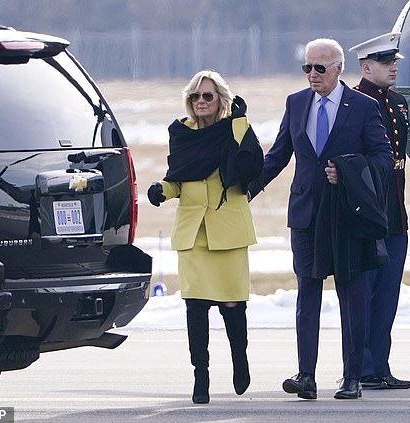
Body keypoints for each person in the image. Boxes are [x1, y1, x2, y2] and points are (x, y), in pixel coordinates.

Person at [248, 38, 394, 400]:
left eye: (320, 68)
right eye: (307, 68)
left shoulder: (363, 106)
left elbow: (382, 158)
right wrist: (246, 189)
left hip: (346, 216)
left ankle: (352, 377)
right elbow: (279, 155)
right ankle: (306, 375)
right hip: (306, 215)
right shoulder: (296, 103)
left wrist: (345, 173)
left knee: (351, 296)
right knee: (307, 294)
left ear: (339, 68)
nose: (312, 75)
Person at [146, 70, 263, 404]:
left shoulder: (235, 129)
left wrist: (240, 122)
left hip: (228, 230)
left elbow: (252, 165)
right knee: (195, 307)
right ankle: (201, 376)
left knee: (231, 305)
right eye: (195, 96)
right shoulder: (180, 134)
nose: (200, 102)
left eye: (207, 96)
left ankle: (240, 361)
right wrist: (162, 190)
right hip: (193, 232)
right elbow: (178, 178)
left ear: (220, 100)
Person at [349, 33, 410, 390]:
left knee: (387, 295)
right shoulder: (353, 102)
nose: (393, 68)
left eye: (394, 62)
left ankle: (380, 366)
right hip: (366, 214)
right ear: (366, 66)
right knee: (364, 294)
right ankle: (360, 367)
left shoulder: (399, 103)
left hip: (394, 214)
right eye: (386, 63)